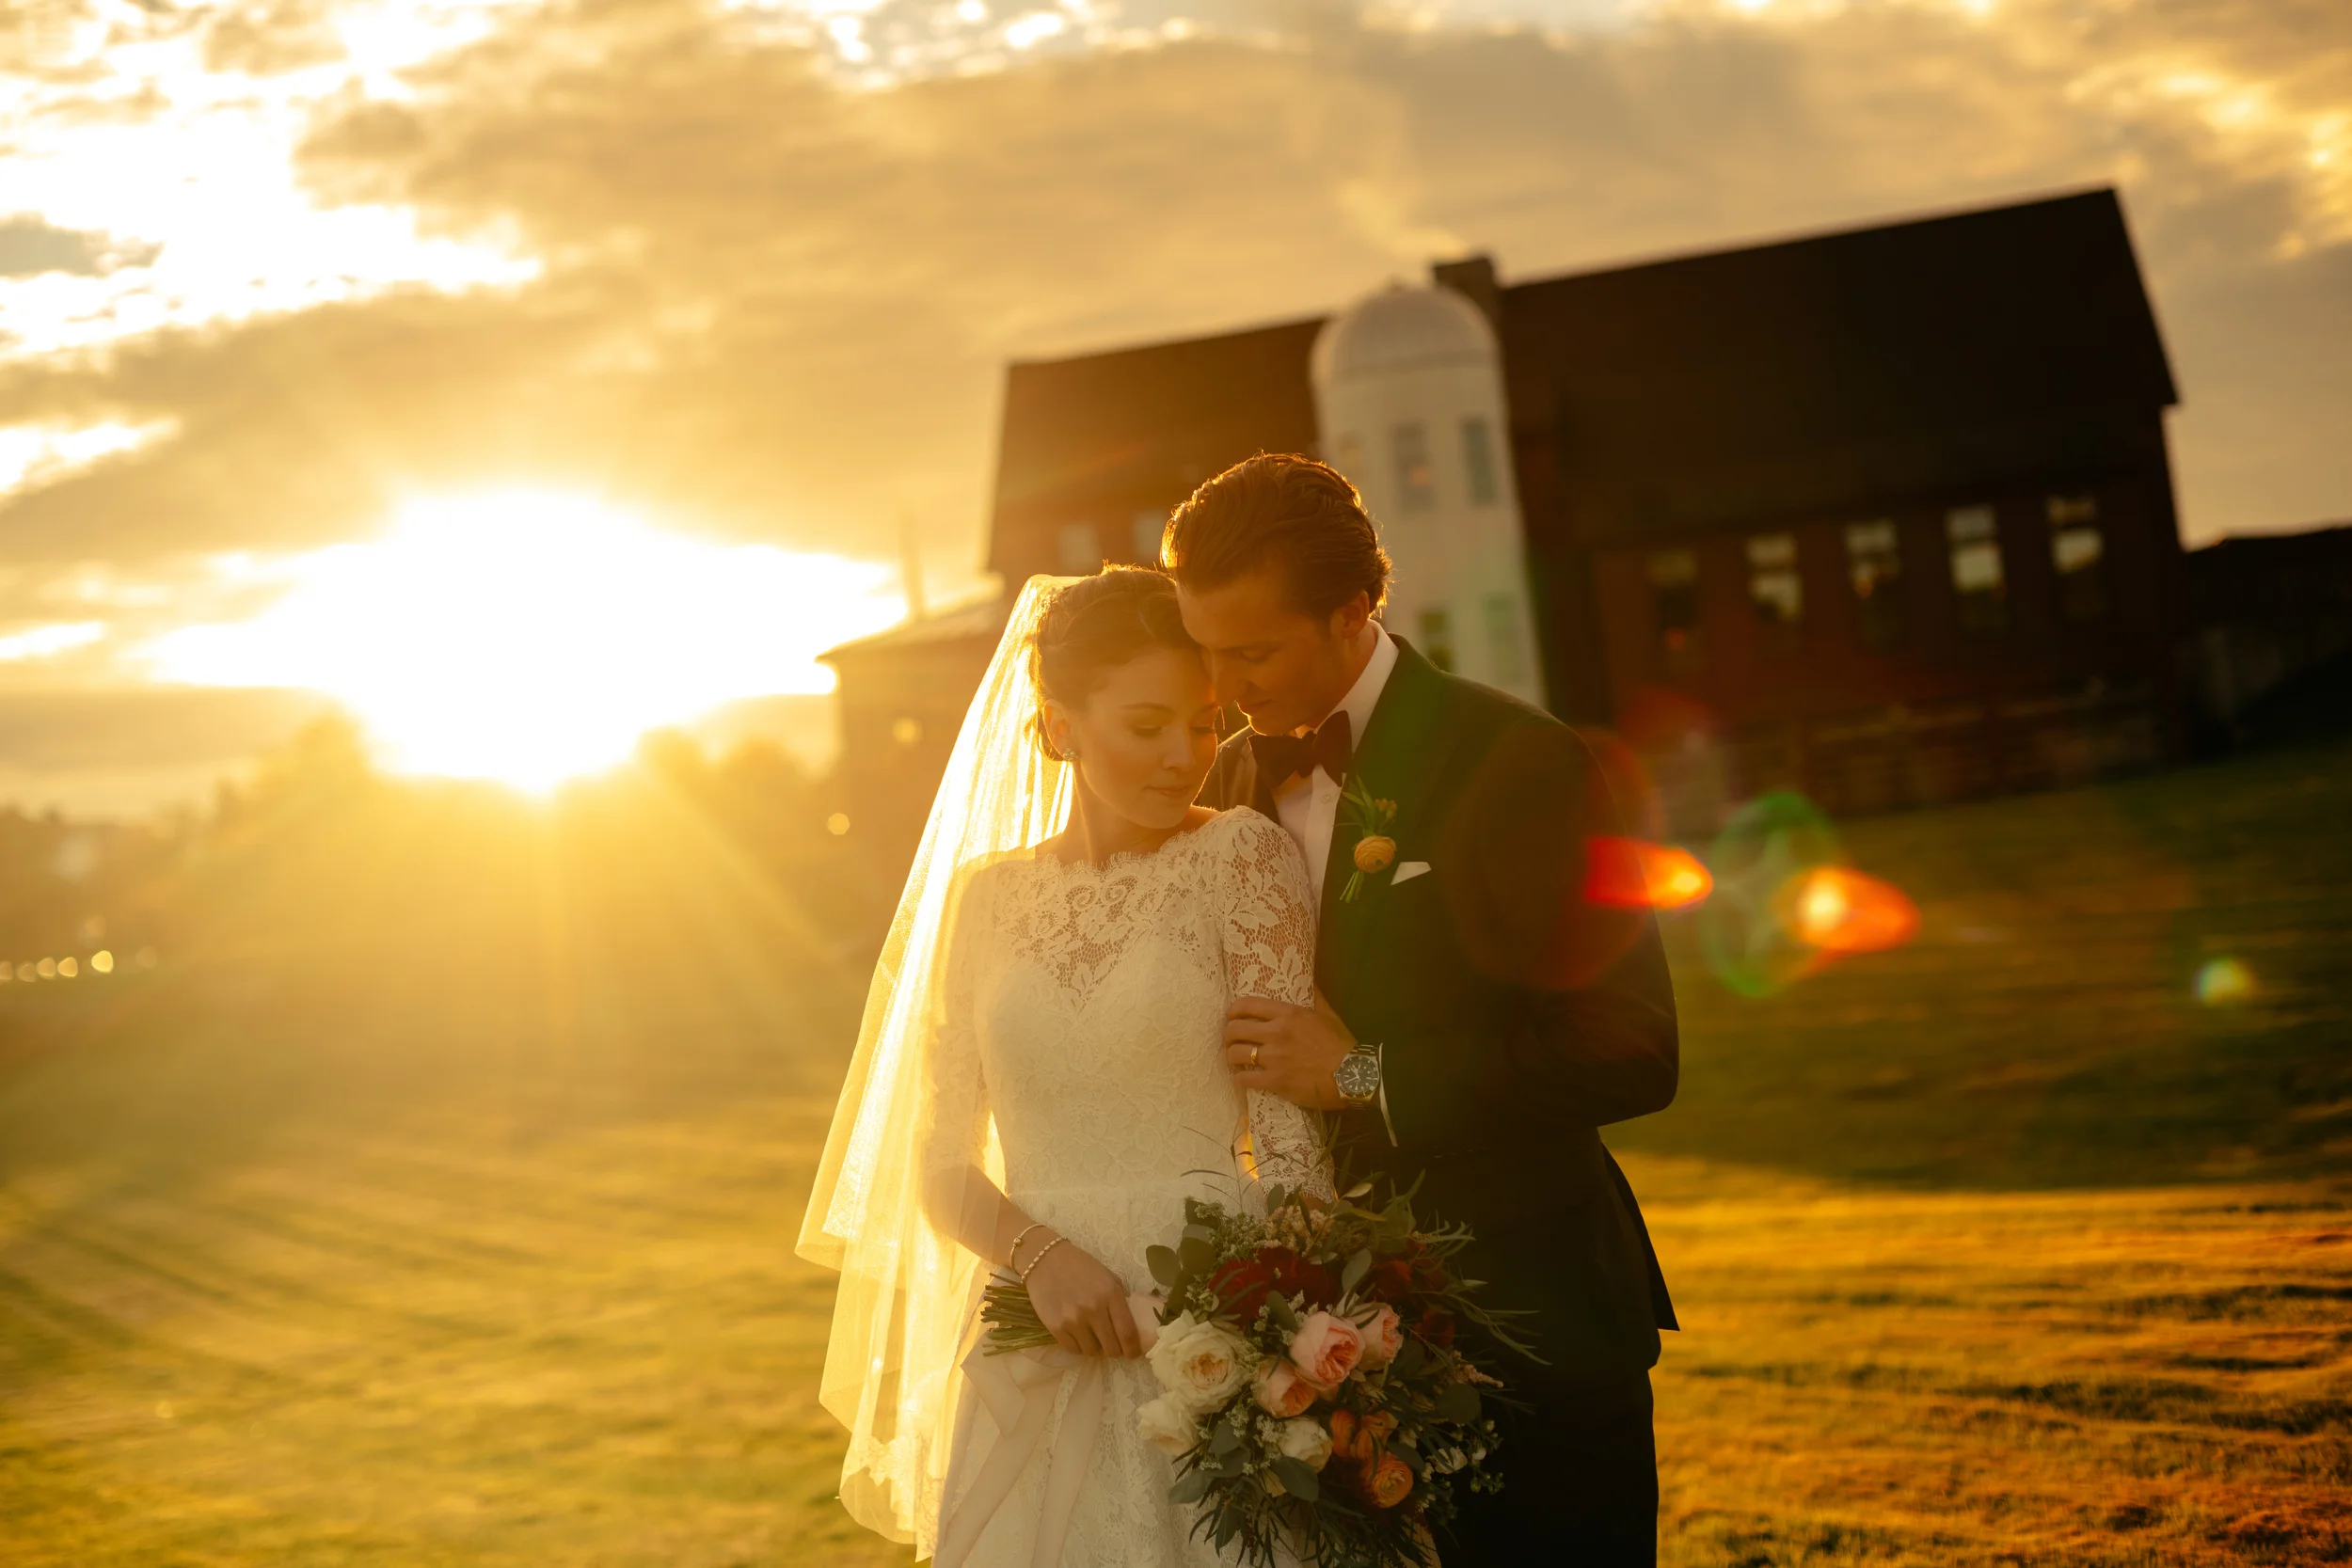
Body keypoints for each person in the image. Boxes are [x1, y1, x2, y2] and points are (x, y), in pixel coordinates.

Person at [1167, 453, 1681, 1566]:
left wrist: (1363, 1075)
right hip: (1305, 1366)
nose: (1222, 684)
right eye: (1205, 652)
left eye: (1250, 651)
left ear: (1355, 609)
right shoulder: (1220, 793)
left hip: (1530, 1329)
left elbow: (1633, 1045)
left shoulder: (1524, 757)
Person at [797, 566, 1332, 1567]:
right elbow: (940, 1162)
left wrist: (1256, 1322)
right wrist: (1042, 1260)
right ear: (1058, 724)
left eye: (1204, 722)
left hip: (1208, 1319)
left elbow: (1295, 1147)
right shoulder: (982, 898)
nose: (1185, 756)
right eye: (1147, 724)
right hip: (1031, 1332)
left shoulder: (1241, 858)